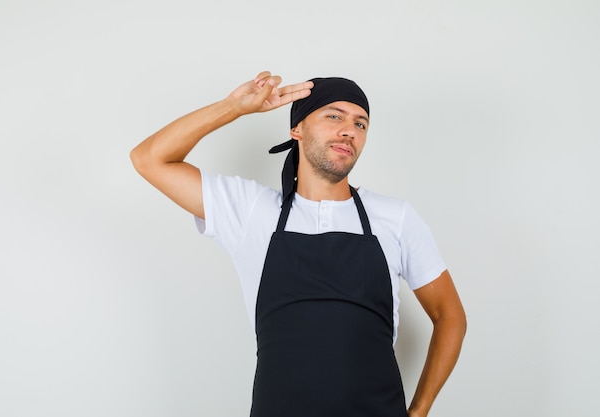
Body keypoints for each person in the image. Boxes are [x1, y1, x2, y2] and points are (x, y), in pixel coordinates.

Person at [130, 71, 466, 417]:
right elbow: (149, 159)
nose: (349, 130)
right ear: (297, 129)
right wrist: (234, 107)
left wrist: (419, 410)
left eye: (360, 123)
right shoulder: (251, 211)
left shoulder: (395, 218)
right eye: (334, 116)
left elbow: (449, 315)